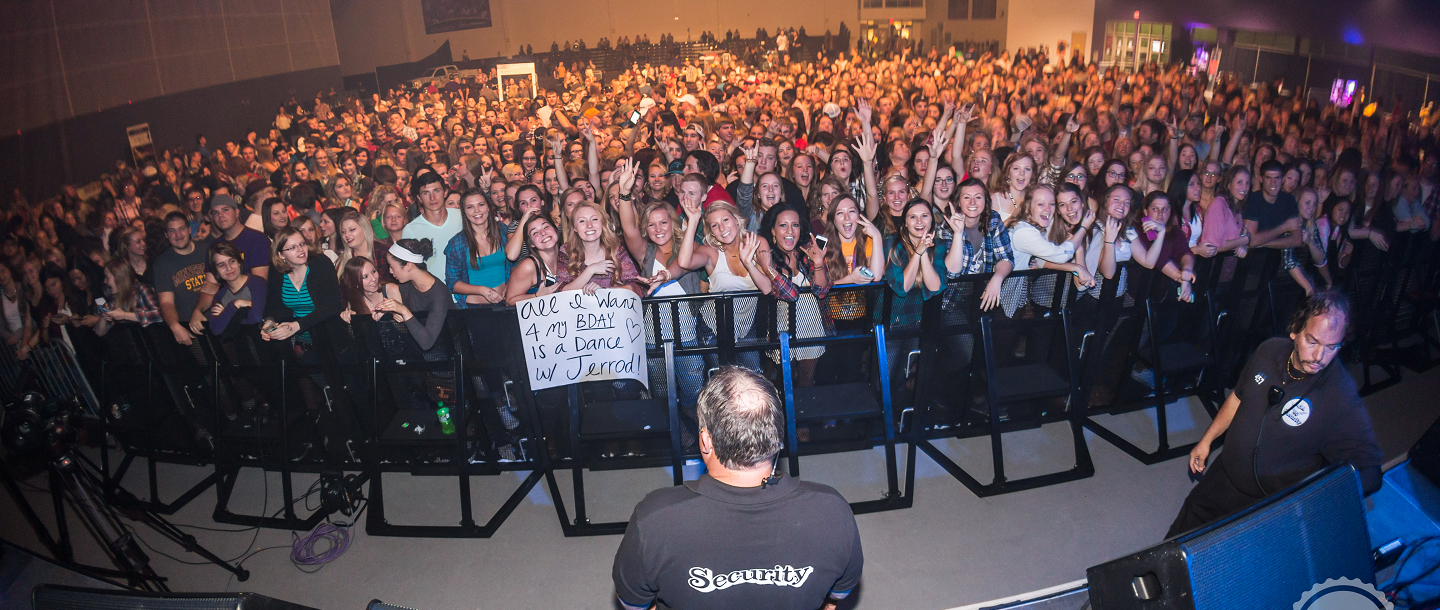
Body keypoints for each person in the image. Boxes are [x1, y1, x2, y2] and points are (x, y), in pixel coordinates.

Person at [612, 366, 862, 610]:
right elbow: (838, 594)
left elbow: (633, 602)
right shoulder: (832, 511)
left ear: (705, 441)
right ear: (777, 436)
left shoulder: (654, 520)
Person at [1167, 290, 1383, 537]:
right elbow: (1238, 397)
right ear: (1295, 330)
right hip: (1222, 475)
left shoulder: (1341, 398)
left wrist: (1310, 502)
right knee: (1179, 538)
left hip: (1263, 505)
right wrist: (1206, 440)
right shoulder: (1268, 350)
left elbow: (1370, 474)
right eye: (1312, 342)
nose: (1319, 357)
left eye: (1332, 346)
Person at [260, 227, 342, 343]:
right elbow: (272, 307)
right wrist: (268, 324)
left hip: (329, 337)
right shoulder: (277, 272)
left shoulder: (320, 263)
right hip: (298, 342)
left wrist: (297, 325)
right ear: (281, 255)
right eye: (293, 247)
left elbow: (332, 305)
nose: (301, 250)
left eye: (302, 244)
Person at [380, 239, 455, 352]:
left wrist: (404, 311)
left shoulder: (439, 294)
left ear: (408, 266)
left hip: (448, 351)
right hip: (419, 349)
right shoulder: (406, 284)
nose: (390, 271)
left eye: (392, 266)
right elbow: (411, 328)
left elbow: (427, 342)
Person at [153, 211, 213, 345]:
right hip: (188, 331)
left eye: (181, 229)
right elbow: (166, 302)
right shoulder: (161, 264)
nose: (178, 235)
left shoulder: (208, 251)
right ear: (166, 235)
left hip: (218, 324)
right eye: (172, 231)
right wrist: (174, 326)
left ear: (189, 229)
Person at [402, 171, 462, 272]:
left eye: (436, 191)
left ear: (445, 192)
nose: (432, 197)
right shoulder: (410, 230)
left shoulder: (461, 216)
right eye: (426, 193)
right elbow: (410, 270)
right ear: (419, 198)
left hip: (467, 284)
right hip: (432, 287)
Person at [205, 241, 267, 336]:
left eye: (232, 261)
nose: (229, 268)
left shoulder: (257, 284)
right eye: (221, 265)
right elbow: (216, 329)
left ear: (239, 262)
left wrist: (226, 314)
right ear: (216, 271)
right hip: (240, 346)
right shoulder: (221, 295)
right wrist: (235, 305)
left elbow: (255, 319)